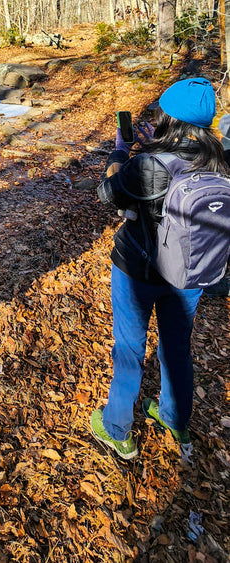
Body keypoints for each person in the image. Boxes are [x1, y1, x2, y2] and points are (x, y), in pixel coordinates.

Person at [90, 77, 228, 461]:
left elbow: (108, 194)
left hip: (138, 272)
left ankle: (117, 428)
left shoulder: (148, 164)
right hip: (190, 275)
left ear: (168, 116)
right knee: (177, 349)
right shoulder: (221, 160)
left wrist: (120, 155)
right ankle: (175, 418)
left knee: (130, 350)